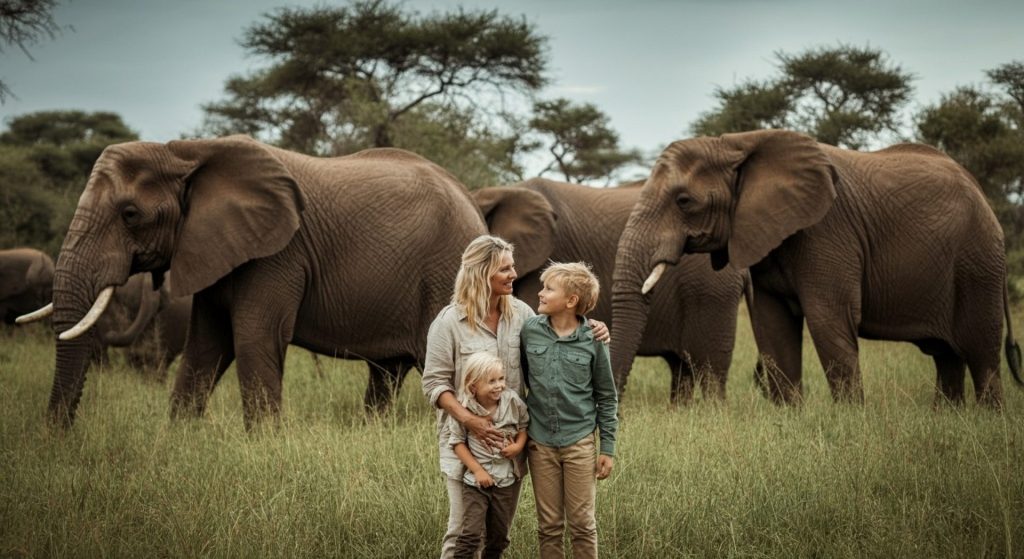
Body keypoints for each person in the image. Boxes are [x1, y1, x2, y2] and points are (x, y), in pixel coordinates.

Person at [422, 235, 609, 559]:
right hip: (465, 448)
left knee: (498, 536)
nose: (513, 274)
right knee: (464, 534)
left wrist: (594, 326)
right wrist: (472, 421)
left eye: (512, 266)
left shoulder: (523, 316)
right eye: (504, 269)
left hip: (511, 449)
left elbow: (565, 328)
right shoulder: (449, 323)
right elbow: (434, 385)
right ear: (481, 272)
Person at [520, 262, 618, 559]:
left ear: (571, 301)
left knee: (583, 525)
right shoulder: (529, 331)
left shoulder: (594, 339)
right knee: (548, 526)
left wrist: (608, 448)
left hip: (580, 443)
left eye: (549, 289)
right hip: (540, 444)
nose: (540, 293)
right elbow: (524, 380)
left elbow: (606, 396)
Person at [447, 352, 528, 559]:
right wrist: (478, 470)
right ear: (473, 386)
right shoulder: (464, 408)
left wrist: (518, 447)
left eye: (501, 379)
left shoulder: (512, 401)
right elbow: (457, 443)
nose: (499, 385)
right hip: (476, 484)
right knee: (471, 534)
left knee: (499, 536)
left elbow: (524, 427)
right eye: (491, 381)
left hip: (506, 481)